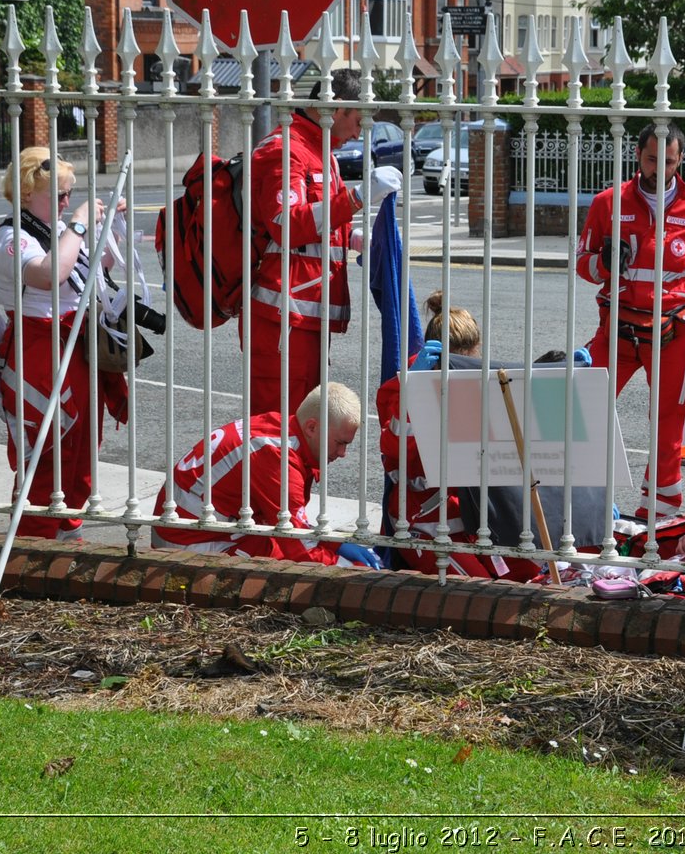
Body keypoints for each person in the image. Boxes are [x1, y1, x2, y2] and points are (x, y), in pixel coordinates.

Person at [575, 121, 685, 522]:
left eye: (667, 162)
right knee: (581, 409)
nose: (658, 169)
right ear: (637, 155)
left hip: (675, 335)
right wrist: (604, 263)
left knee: (667, 428)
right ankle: (578, 505)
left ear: (680, 160)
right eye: (651, 159)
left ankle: (659, 518)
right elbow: (583, 265)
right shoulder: (607, 203)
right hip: (618, 330)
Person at [0, 147, 127, 540]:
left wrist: (106, 230)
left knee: (82, 444)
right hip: (39, 348)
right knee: (47, 444)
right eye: (59, 194)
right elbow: (50, 274)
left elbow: (95, 269)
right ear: (29, 192)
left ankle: (67, 527)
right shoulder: (12, 236)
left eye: (70, 194)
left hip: (74, 342)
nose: (67, 202)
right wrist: (80, 226)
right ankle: (36, 536)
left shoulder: (56, 231)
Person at [246, 69, 401, 413]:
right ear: (337, 108)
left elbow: (319, 225)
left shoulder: (321, 152)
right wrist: (356, 198)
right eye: (358, 121)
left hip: (304, 315)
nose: (360, 132)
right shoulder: (286, 149)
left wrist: (355, 238)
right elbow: (285, 224)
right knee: (280, 425)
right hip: (282, 318)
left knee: (305, 426)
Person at [151, 382, 381, 568]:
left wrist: (333, 544)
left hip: (190, 529)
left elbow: (292, 526)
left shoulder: (280, 432)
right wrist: (353, 572)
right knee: (285, 567)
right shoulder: (278, 457)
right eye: (340, 443)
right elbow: (298, 547)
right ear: (312, 428)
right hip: (187, 544)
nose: (343, 453)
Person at [376, 293, 517, 578]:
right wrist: (413, 393)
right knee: (476, 589)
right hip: (422, 523)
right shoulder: (398, 388)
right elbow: (394, 450)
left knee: (528, 573)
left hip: (472, 518)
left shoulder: (480, 382)